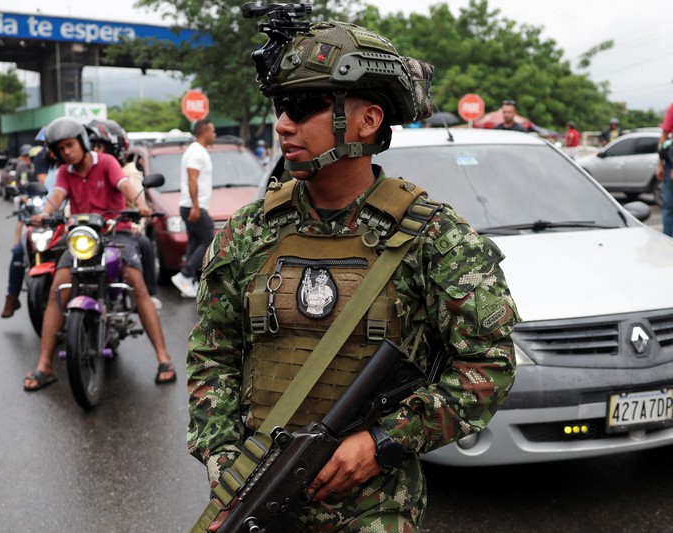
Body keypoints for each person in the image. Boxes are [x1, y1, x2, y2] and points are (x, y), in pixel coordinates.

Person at [187, 18, 518, 532]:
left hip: (374, 511)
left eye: (303, 107)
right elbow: (213, 356)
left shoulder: (433, 236)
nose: (283, 125)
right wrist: (227, 470)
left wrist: (383, 442)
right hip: (256, 498)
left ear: (367, 121)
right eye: (280, 107)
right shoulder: (250, 232)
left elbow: (487, 367)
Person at [22, 117, 176, 391]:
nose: (67, 152)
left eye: (70, 145)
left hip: (116, 231)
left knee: (137, 284)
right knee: (58, 288)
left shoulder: (105, 162)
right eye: (61, 149)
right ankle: (44, 365)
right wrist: (43, 214)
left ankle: (163, 359)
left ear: (81, 141)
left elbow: (125, 185)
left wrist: (140, 204)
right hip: (84, 236)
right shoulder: (65, 172)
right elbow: (55, 196)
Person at [87, 118, 162, 310]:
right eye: (91, 146)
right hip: (89, 231)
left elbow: (137, 199)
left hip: (120, 228)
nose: (94, 152)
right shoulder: (81, 171)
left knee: (143, 245)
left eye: (99, 146)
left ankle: (148, 296)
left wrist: (140, 211)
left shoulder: (127, 172)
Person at [0, 146, 59, 319]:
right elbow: (44, 195)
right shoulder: (45, 165)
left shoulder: (72, 168)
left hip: (67, 222)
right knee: (19, 251)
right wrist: (37, 212)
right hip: (45, 220)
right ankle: (12, 297)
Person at [171, 118, 216, 298]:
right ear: (204, 131)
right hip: (193, 206)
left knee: (195, 242)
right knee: (208, 240)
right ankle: (185, 275)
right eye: (213, 131)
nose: (215, 135)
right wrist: (196, 207)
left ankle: (187, 281)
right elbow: (192, 179)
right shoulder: (196, 152)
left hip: (191, 205)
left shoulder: (198, 151)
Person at [657, 101, 673, 236]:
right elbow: (664, 135)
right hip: (670, 162)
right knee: (668, 206)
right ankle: (667, 242)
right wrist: (660, 164)